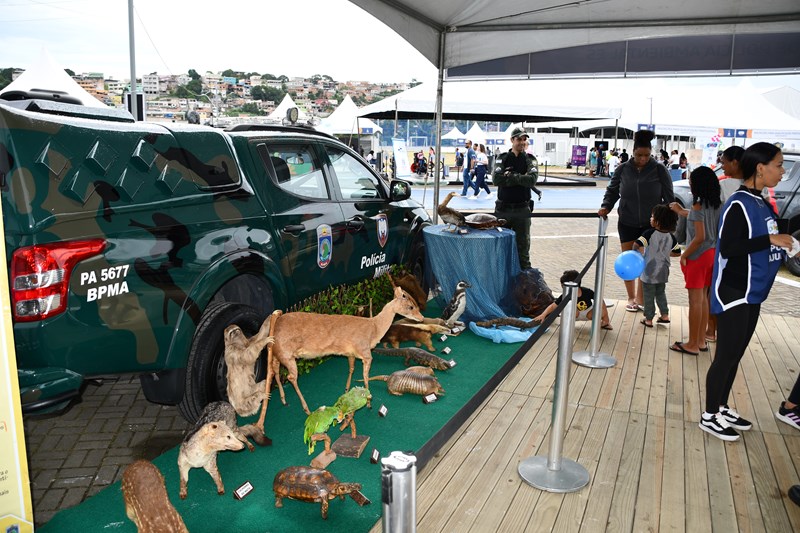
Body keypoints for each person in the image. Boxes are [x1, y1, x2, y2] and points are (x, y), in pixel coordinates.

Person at [699, 142, 794, 441]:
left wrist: (787, 242)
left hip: (753, 292)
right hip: (734, 291)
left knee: (736, 354)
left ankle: (722, 406)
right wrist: (771, 240)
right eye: (778, 165)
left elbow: (767, 239)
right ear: (760, 167)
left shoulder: (761, 201)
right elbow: (729, 247)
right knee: (725, 356)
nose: (782, 171)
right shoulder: (739, 202)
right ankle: (709, 415)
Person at [598, 128, 674, 312]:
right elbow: (612, 190)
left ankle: (641, 299)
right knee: (629, 260)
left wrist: (666, 221)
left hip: (651, 224)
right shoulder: (623, 169)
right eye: (639, 155)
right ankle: (631, 297)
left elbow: (669, 197)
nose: (643, 159)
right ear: (633, 152)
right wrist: (606, 206)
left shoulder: (659, 169)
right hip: (627, 221)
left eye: (646, 155)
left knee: (646, 262)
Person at [669, 167, 721, 356]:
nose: (689, 183)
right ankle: (700, 341)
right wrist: (681, 211)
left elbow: (699, 236)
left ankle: (691, 343)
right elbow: (698, 219)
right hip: (712, 254)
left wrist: (684, 255)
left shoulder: (698, 205)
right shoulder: (716, 204)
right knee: (704, 298)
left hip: (698, 255)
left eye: (692, 181)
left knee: (695, 301)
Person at [493, 127, 541, 270]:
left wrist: (512, 176)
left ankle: (524, 285)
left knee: (523, 252)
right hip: (503, 210)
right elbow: (496, 179)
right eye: (519, 139)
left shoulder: (530, 159)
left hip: (522, 209)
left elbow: (532, 180)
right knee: (500, 249)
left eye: (524, 139)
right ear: (512, 140)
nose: (522, 142)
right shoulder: (503, 158)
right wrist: (522, 177)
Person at [633, 204, 679, 327]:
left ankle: (648, 318)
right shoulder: (671, 237)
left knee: (648, 295)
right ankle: (664, 315)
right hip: (663, 270)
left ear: (658, 221)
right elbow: (677, 252)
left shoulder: (649, 233)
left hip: (649, 270)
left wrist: (638, 254)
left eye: (652, 216)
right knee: (660, 292)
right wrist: (665, 254)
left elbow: (636, 244)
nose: (650, 218)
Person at [533, 270, 613, 330]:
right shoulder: (565, 295)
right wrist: (543, 315)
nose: (562, 287)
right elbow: (553, 306)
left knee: (600, 308)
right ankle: (566, 324)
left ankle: (605, 323)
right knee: (572, 310)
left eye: (563, 285)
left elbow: (600, 300)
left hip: (588, 312)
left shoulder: (587, 292)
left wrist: (606, 318)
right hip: (574, 314)